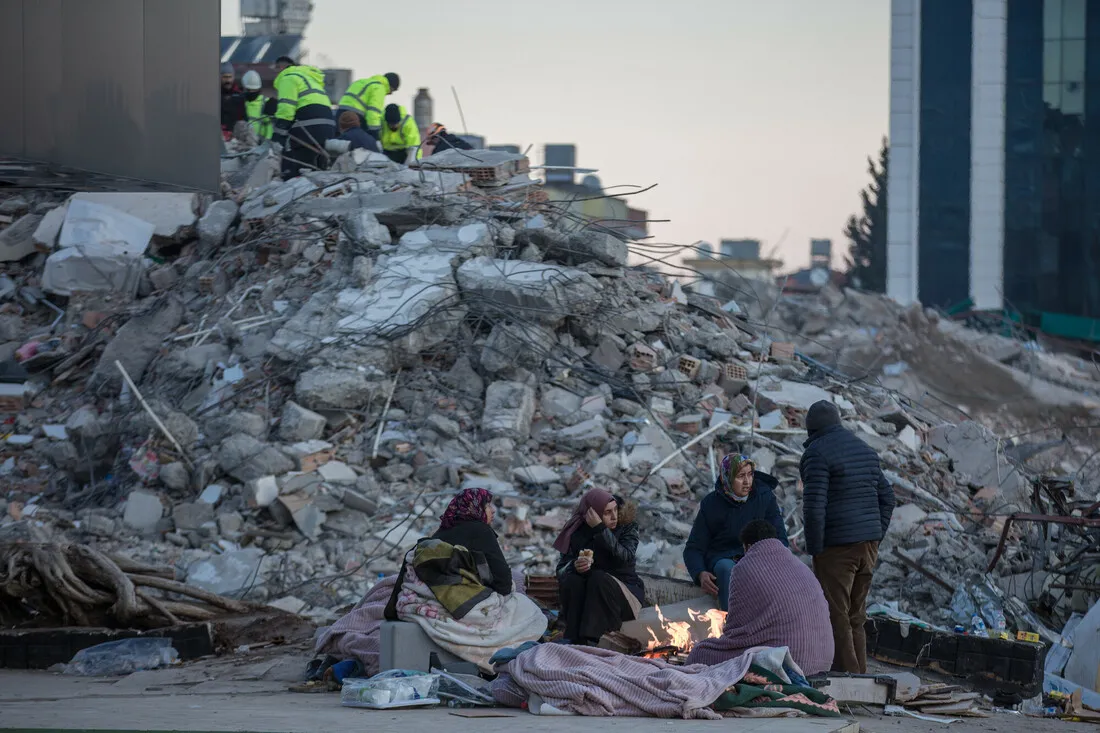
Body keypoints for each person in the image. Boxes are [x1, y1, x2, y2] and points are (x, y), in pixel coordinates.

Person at [384, 488, 546, 672]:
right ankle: (520, 661)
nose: (493, 510)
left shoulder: (437, 536)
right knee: (527, 608)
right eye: (487, 505)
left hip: (429, 607)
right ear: (475, 508)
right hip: (463, 610)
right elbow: (503, 583)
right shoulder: (481, 530)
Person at [800, 400, 896, 674]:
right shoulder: (865, 450)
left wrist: (816, 549)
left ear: (811, 429)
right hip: (867, 547)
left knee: (836, 615)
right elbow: (887, 498)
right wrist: (875, 538)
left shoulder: (817, 453)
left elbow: (815, 507)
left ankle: (849, 681)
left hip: (837, 549)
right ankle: (860, 675)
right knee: (856, 616)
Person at [686, 520, 834, 675]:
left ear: (748, 546)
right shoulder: (802, 566)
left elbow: (735, 629)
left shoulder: (744, 567)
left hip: (788, 660)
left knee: (700, 653)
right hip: (824, 660)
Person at [684, 454, 788, 612]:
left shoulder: (764, 497)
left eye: (750, 474)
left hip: (759, 557)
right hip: (724, 559)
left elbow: (780, 537)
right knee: (728, 571)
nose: (747, 482)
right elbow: (694, 547)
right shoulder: (711, 504)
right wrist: (700, 573)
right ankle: (732, 625)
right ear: (728, 478)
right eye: (740, 476)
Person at [555, 489, 644, 645]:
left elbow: (625, 556)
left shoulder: (627, 527)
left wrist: (600, 529)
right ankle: (575, 638)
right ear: (592, 514)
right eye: (607, 512)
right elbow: (560, 571)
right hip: (591, 595)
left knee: (598, 578)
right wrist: (575, 566)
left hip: (625, 592)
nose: (614, 516)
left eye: (615, 510)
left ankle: (596, 639)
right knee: (573, 580)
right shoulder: (578, 531)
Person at [271, 56, 335, 179]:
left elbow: (286, 109)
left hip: (309, 123)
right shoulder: (310, 80)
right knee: (316, 165)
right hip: (328, 124)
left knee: (294, 162)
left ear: (282, 69)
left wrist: (278, 137)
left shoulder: (288, 77)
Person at [337, 73, 400, 138]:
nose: (390, 93)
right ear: (391, 86)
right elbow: (373, 113)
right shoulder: (379, 87)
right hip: (356, 116)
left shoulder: (362, 82)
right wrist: (375, 136)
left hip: (340, 113)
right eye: (392, 90)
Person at [241, 70, 272, 141]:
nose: (251, 93)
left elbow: (269, 127)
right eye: (249, 90)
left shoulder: (267, 102)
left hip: (261, 144)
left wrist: (266, 143)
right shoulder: (239, 101)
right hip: (243, 144)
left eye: (254, 90)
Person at [220, 62, 245, 138]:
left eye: (229, 77)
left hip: (235, 136)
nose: (228, 80)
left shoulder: (240, 95)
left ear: (233, 77)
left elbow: (243, 118)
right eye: (225, 77)